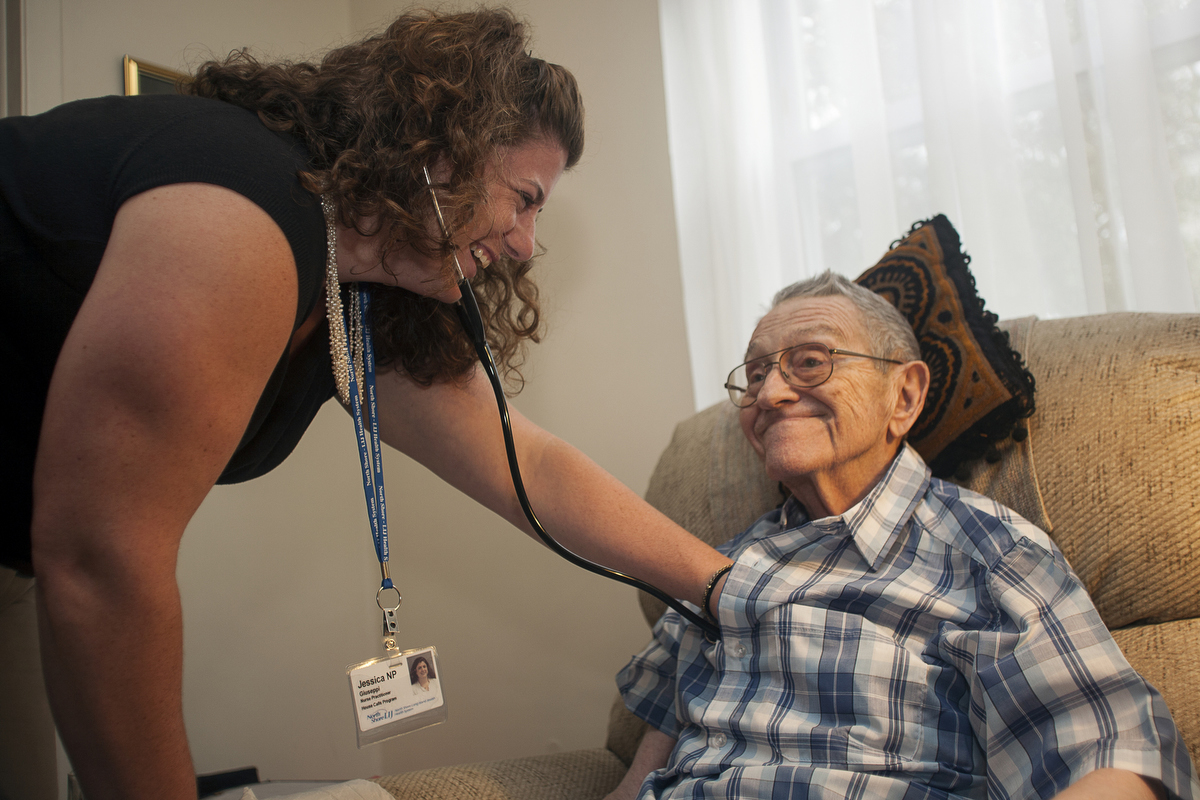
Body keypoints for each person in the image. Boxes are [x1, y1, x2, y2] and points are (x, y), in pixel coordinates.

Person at [0, 8, 734, 800]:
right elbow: (103, 557)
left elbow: (534, 469)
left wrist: (729, 586)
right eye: (523, 198)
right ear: (438, 154)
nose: (525, 243)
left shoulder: (360, 296)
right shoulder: (242, 208)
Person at [609, 272, 1199, 800]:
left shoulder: (989, 551)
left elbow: (1106, 752)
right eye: (756, 373)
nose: (768, 394)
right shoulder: (722, 560)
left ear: (905, 395)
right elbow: (664, 725)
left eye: (810, 361)